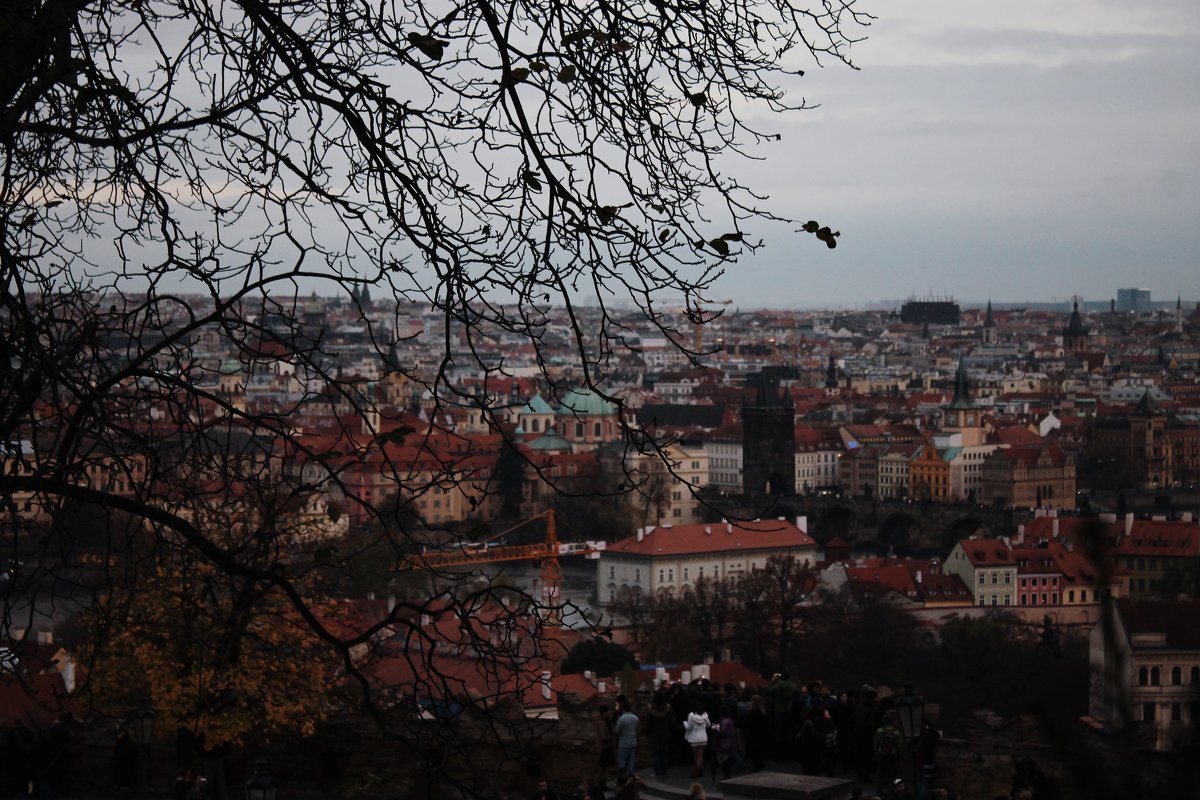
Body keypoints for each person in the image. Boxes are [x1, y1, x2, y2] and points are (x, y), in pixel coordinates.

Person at [645, 691, 676, 777]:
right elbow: (672, 722)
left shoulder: (651, 710)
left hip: (654, 733)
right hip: (665, 733)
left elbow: (648, 723)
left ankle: (657, 771)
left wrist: (647, 732)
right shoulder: (668, 709)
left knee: (656, 753)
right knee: (664, 752)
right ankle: (664, 769)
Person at [873, 711, 904, 796]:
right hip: (892, 756)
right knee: (891, 774)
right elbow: (899, 746)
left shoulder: (880, 730)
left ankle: (878, 791)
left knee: (880, 773)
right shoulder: (896, 732)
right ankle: (891, 791)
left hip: (881, 755)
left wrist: (875, 755)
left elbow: (876, 744)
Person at [682, 701, 711, 778]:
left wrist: (684, 723)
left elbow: (689, 727)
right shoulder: (705, 715)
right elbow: (708, 725)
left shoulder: (691, 715)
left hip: (694, 738)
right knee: (700, 756)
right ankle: (699, 771)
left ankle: (696, 772)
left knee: (696, 757)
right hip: (703, 737)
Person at [613, 698, 640, 778]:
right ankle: (631, 775)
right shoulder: (635, 718)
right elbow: (637, 729)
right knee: (631, 760)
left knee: (622, 760)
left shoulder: (621, 719)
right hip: (633, 741)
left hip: (623, 742)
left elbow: (617, 731)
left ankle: (622, 776)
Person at [744, 693, 768, 772]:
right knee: (759, 750)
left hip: (753, 734)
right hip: (760, 735)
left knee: (754, 750)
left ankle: (755, 766)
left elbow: (749, 722)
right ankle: (759, 764)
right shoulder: (762, 712)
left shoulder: (753, 712)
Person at [594, 703, 615, 785]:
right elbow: (602, 735)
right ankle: (602, 783)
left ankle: (604, 782)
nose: (609, 712)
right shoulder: (601, 722)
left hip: (607, 746)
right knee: (602, 766)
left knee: (605, 766)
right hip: (603, 746)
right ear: (604, 712)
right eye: (608, 711)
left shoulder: (607, 720)